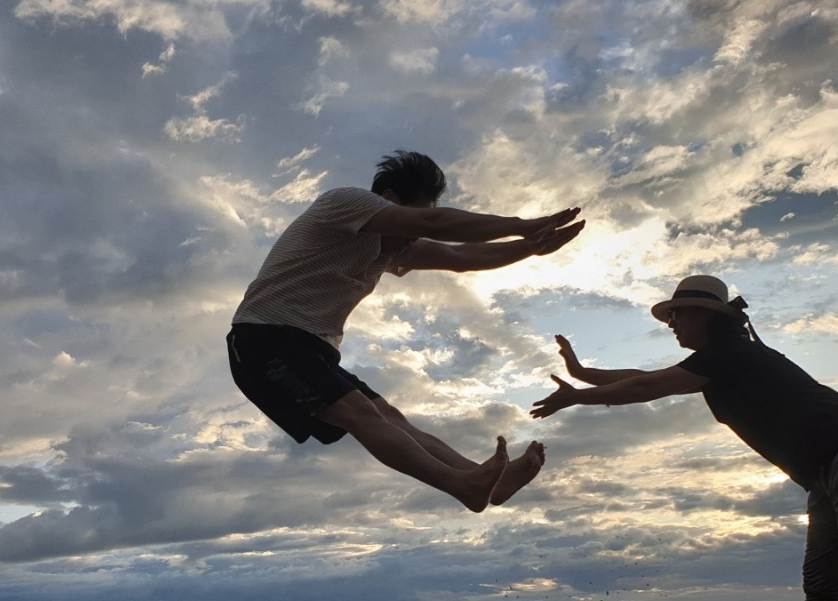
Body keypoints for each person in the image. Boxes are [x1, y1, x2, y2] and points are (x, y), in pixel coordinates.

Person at [531, 275, 838, 601]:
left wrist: (577, 397)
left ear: (709, 315)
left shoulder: (732, 353)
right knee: (822, 584)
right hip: (826, 469)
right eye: (669, 314)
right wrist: (581, 374)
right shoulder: (717, 361)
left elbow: (647, 386)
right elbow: (645, 377)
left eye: (678, 313)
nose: (670, 321)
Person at [227, 150, 585, 512]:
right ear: (389, 201)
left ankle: (486, 481)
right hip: (263, 336)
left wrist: (531, 247)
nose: (412, 236)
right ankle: (461, 485)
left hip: (310, 347)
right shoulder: (344, 203)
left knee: (391, 419)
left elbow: (461, 258)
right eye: (414, 220)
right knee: (360, 414)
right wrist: (522, 225)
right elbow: (436, 226)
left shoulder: (393, 247)